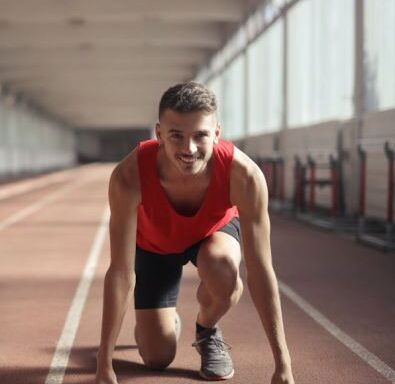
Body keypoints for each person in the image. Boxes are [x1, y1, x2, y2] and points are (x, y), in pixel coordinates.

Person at [95, 82, 294, 383]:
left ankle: (207, 329)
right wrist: (103, 363)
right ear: (159, 134)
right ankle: (159, 323)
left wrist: (283, 366)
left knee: (225, 273)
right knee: (156, 357)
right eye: (176, 136)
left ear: (216, 133)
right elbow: (121, 272)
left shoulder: (245, 176)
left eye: (200, 135)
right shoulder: (128, 176)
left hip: (212, 234)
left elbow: (260, 270)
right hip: (153, 245)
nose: (189, 149)